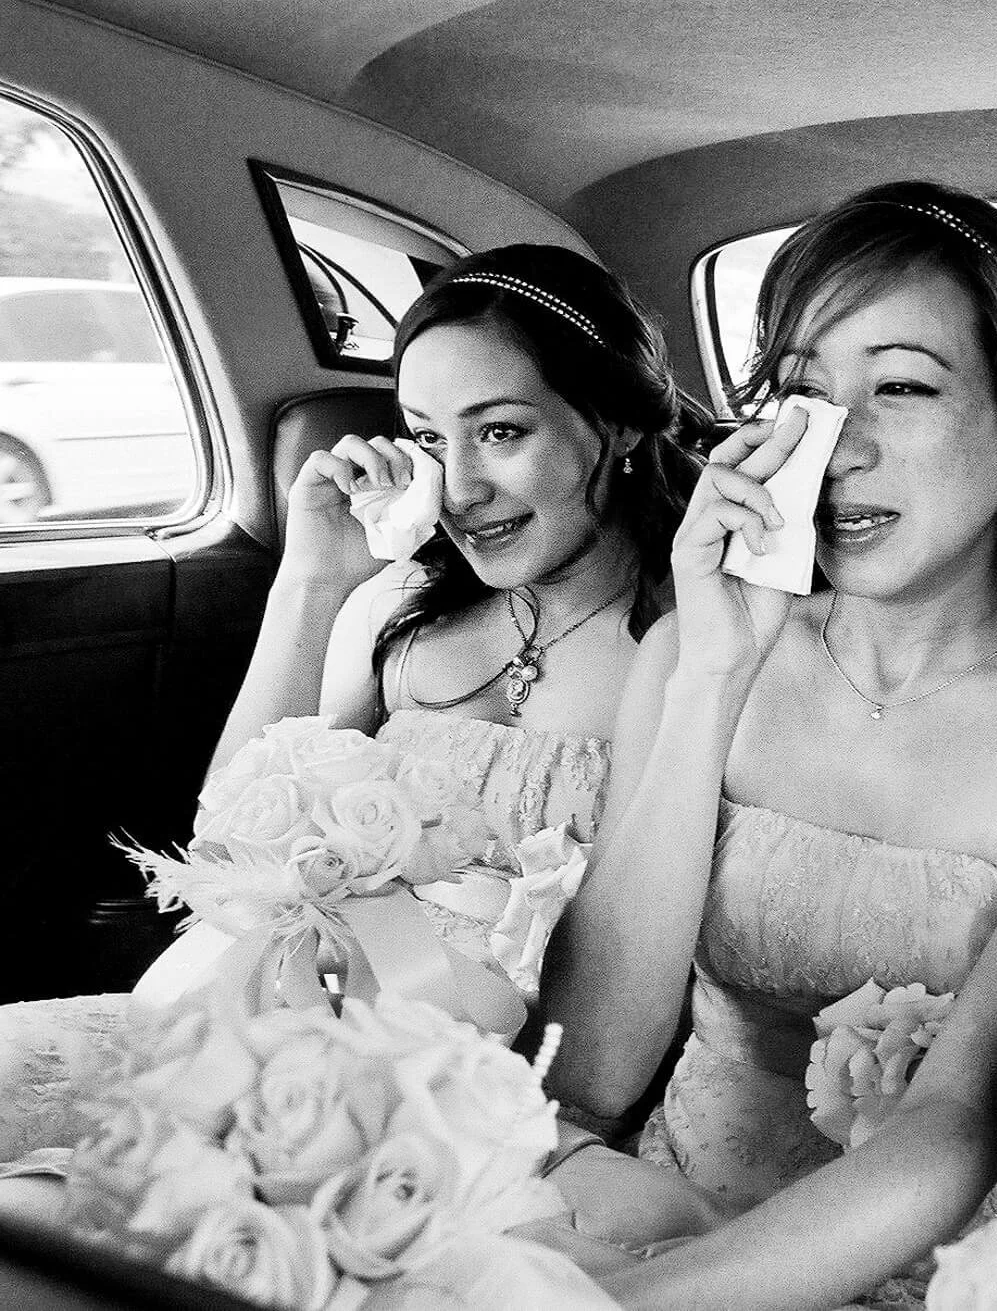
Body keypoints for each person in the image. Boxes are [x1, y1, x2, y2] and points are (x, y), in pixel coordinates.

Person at [537, 180, 997, 1307]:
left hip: (926, 1262)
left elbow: (961, 1121)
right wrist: (712, 673)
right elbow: (592, 1066)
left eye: (902, 387)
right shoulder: (693, 653)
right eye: (805, 394)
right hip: (655, 1210)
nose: (839, 449)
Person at [0, 243, 702, 1171]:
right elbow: (228, 853)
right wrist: (314, 579)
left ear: (613, 421)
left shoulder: (695, 650)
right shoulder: (398, 612)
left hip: (494, 1098)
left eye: (500, 432)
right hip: (273, 1019)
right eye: (429, 438)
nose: (458, 489)